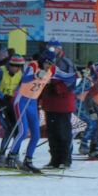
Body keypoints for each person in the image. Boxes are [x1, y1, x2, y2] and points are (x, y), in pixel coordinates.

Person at [7, 49, 57, 172]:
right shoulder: (34, 65)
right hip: (22, 100)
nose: (49, 66)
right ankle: (11, 156)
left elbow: (64, 76)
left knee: (36, 135)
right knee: (23, 132)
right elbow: (24, 79)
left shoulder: (51, 70)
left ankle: (28, 160)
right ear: (43, 60)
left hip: (33, 103)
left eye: (51, 64)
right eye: (48, 63)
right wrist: (35, 76)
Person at [40, 40, 77, 168]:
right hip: (49, 104)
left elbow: (70, 83)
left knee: (63, 133)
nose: (52, 50)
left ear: (60, 49)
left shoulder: (66, 63)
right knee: (52, 133)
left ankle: (65, 159)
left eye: (54, 48)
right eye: (49, 48)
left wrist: (55, 87)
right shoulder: (45, 62)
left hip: (63, 104)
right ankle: (55, 159)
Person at [0, 54, 24, 167]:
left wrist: (16, 96)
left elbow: (20, 87)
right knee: (9, 129)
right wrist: (3, 96)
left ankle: (13, 156)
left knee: (17, 130)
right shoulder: (1, 71)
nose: (18, 69)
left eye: (20, 66)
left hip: (11, 103)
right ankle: (1, 157)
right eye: (16, 66)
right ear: (10, 65)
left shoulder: (20, 73)